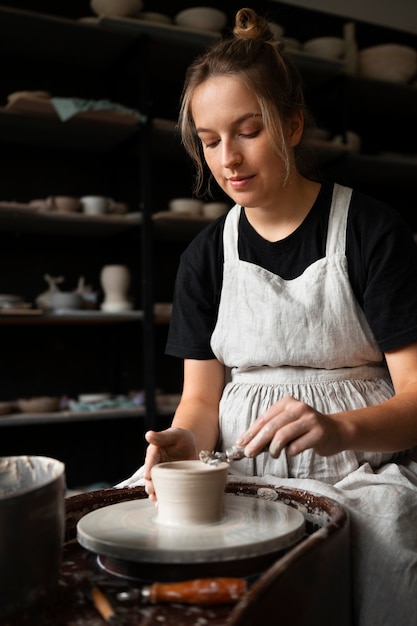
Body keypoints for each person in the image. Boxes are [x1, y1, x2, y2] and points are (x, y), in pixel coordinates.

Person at [118, 8, 417, 625]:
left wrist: (341, 429)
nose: (228, 158)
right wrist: (182, 443)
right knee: (127, 530)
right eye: (209, 140)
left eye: (248, 130)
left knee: (382, 545)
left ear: (293, 124)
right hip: (239, 467)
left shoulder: (370, 230)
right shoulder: (206, 256)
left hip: (363, 470)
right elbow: (201, 403)